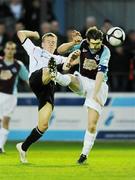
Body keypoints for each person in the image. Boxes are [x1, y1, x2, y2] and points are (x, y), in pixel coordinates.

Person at [50, 26, 111, 164]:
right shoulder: (82, 43)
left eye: (98, 43)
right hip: (82, 79)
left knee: (92, 125)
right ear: (87, 40)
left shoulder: (105, 51)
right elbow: (59, 50)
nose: (95, 46)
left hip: (99, 85)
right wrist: (72, 43)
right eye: (92, 43)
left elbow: (101, 73)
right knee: (71, 78)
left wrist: (94, 93)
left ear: (101, 41)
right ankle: (56, 75)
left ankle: (84, 155)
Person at [16, 30, 77, 163]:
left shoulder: (59, 58)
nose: (51, 44)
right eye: (48, 42)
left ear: (56, 46)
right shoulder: (35, 50)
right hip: (36, 79)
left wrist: (80, 49)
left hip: (48, 89)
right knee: (48, 69)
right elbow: (20, 33)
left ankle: (23, 147)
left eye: (53, 43)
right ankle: (54, 73)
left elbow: (72, 62)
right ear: (42, 44)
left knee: (43, 125)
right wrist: (33, 33)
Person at [0, 41, 29, 153]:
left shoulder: (19, 65)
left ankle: (1, 147)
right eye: (8, 48)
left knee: (5, 121)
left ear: (15, 51)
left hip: (10, 97)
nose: (10, 51)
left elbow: (27, 78)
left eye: (12, 49)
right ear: (4, 49)